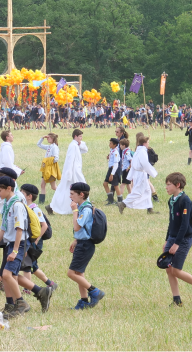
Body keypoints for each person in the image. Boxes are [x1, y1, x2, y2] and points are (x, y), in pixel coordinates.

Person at [162, 172, 192, 306]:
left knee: (176, 270)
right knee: (168, 268)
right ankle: (176, 300)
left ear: (177, 185)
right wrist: (167, 240)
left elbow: (184, 225)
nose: (166, 188)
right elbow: (171, 222)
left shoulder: (185, 200)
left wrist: (177, 244)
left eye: (168, 185)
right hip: (172, 237)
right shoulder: (171, 200)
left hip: (183, 240)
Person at [0, 175, 31, 319]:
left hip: (18, 244)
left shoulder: (17, 205)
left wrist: (16, 250)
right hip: (11, 243)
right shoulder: (7, 204)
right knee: (5, 276)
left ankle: (21, 303)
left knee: (7, 275)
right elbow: (4, 230)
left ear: (9, 188)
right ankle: (11, 304)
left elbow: (20, 229)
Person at [17, 183, 56, 313]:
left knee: (27, 265)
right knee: (32, 265)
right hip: (29, 240)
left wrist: (36, 239)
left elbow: (43, 225)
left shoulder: (35, 209)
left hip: (33, 241)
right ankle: (50, 284)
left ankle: (28, 288)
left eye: (22, 192)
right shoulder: (25, 207)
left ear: (29, 196)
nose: (19, 193)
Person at [68, 182, 104, 310]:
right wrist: (76, 240)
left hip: (86, 245)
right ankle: (84, 301)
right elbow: (83, 230)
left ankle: (95, 291)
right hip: (82, 243)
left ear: (81, 194)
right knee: (79, 273)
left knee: (71, 273)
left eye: (72, 194)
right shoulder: (83, 207)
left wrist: (74, 211)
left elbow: (77, 226)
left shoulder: (86, 209)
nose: (70, 196)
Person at [50, 130, 88, 215]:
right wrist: (69, 173)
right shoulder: (73, 146)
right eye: (80, 137)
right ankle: (53, 205)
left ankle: (80, 205)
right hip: (73, 171)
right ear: (75, 136)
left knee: (70, 189)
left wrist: (80, 143)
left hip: (76, 170)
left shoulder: (77, 145)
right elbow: (70, 160)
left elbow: (85, 149)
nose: (81, 138)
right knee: (68, 189)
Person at [118, 135, 158, 214]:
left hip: (139, 173)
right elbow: (145, 164)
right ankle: (123, 204)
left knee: (147, 190)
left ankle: (149, 209)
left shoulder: (138, 151)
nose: (148, 144)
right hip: (141, 174)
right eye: (148, 142)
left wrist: (130, 175)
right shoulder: (142, 151)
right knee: (138, 192)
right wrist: (153, 172)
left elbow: (133, 163)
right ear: (144, 143)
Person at [103, 138, 122, 206]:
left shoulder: (116, 152)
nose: (109, 144)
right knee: (105, 183)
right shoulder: (112, 151)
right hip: (110, 169)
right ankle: (111, 200)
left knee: (115, 185)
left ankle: (120, 201)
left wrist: (112, 174)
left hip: (114, 170)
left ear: (115, 145)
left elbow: (116, 164)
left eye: (111, 143)